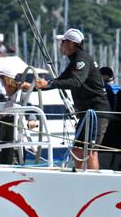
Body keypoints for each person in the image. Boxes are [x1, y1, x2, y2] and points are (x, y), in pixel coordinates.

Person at [33, 28, 110, 170]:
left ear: (71, 43)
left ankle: (95, 185)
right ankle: (81, 179)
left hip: (97, 113)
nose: (60, 45)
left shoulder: (82, 59)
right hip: (87, 114)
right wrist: (34, 86)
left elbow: (76, 82)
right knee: (77, 151)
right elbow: (59, 81)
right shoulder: (75, 61)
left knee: (90, 152)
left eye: (63, 42)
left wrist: (49, 84)